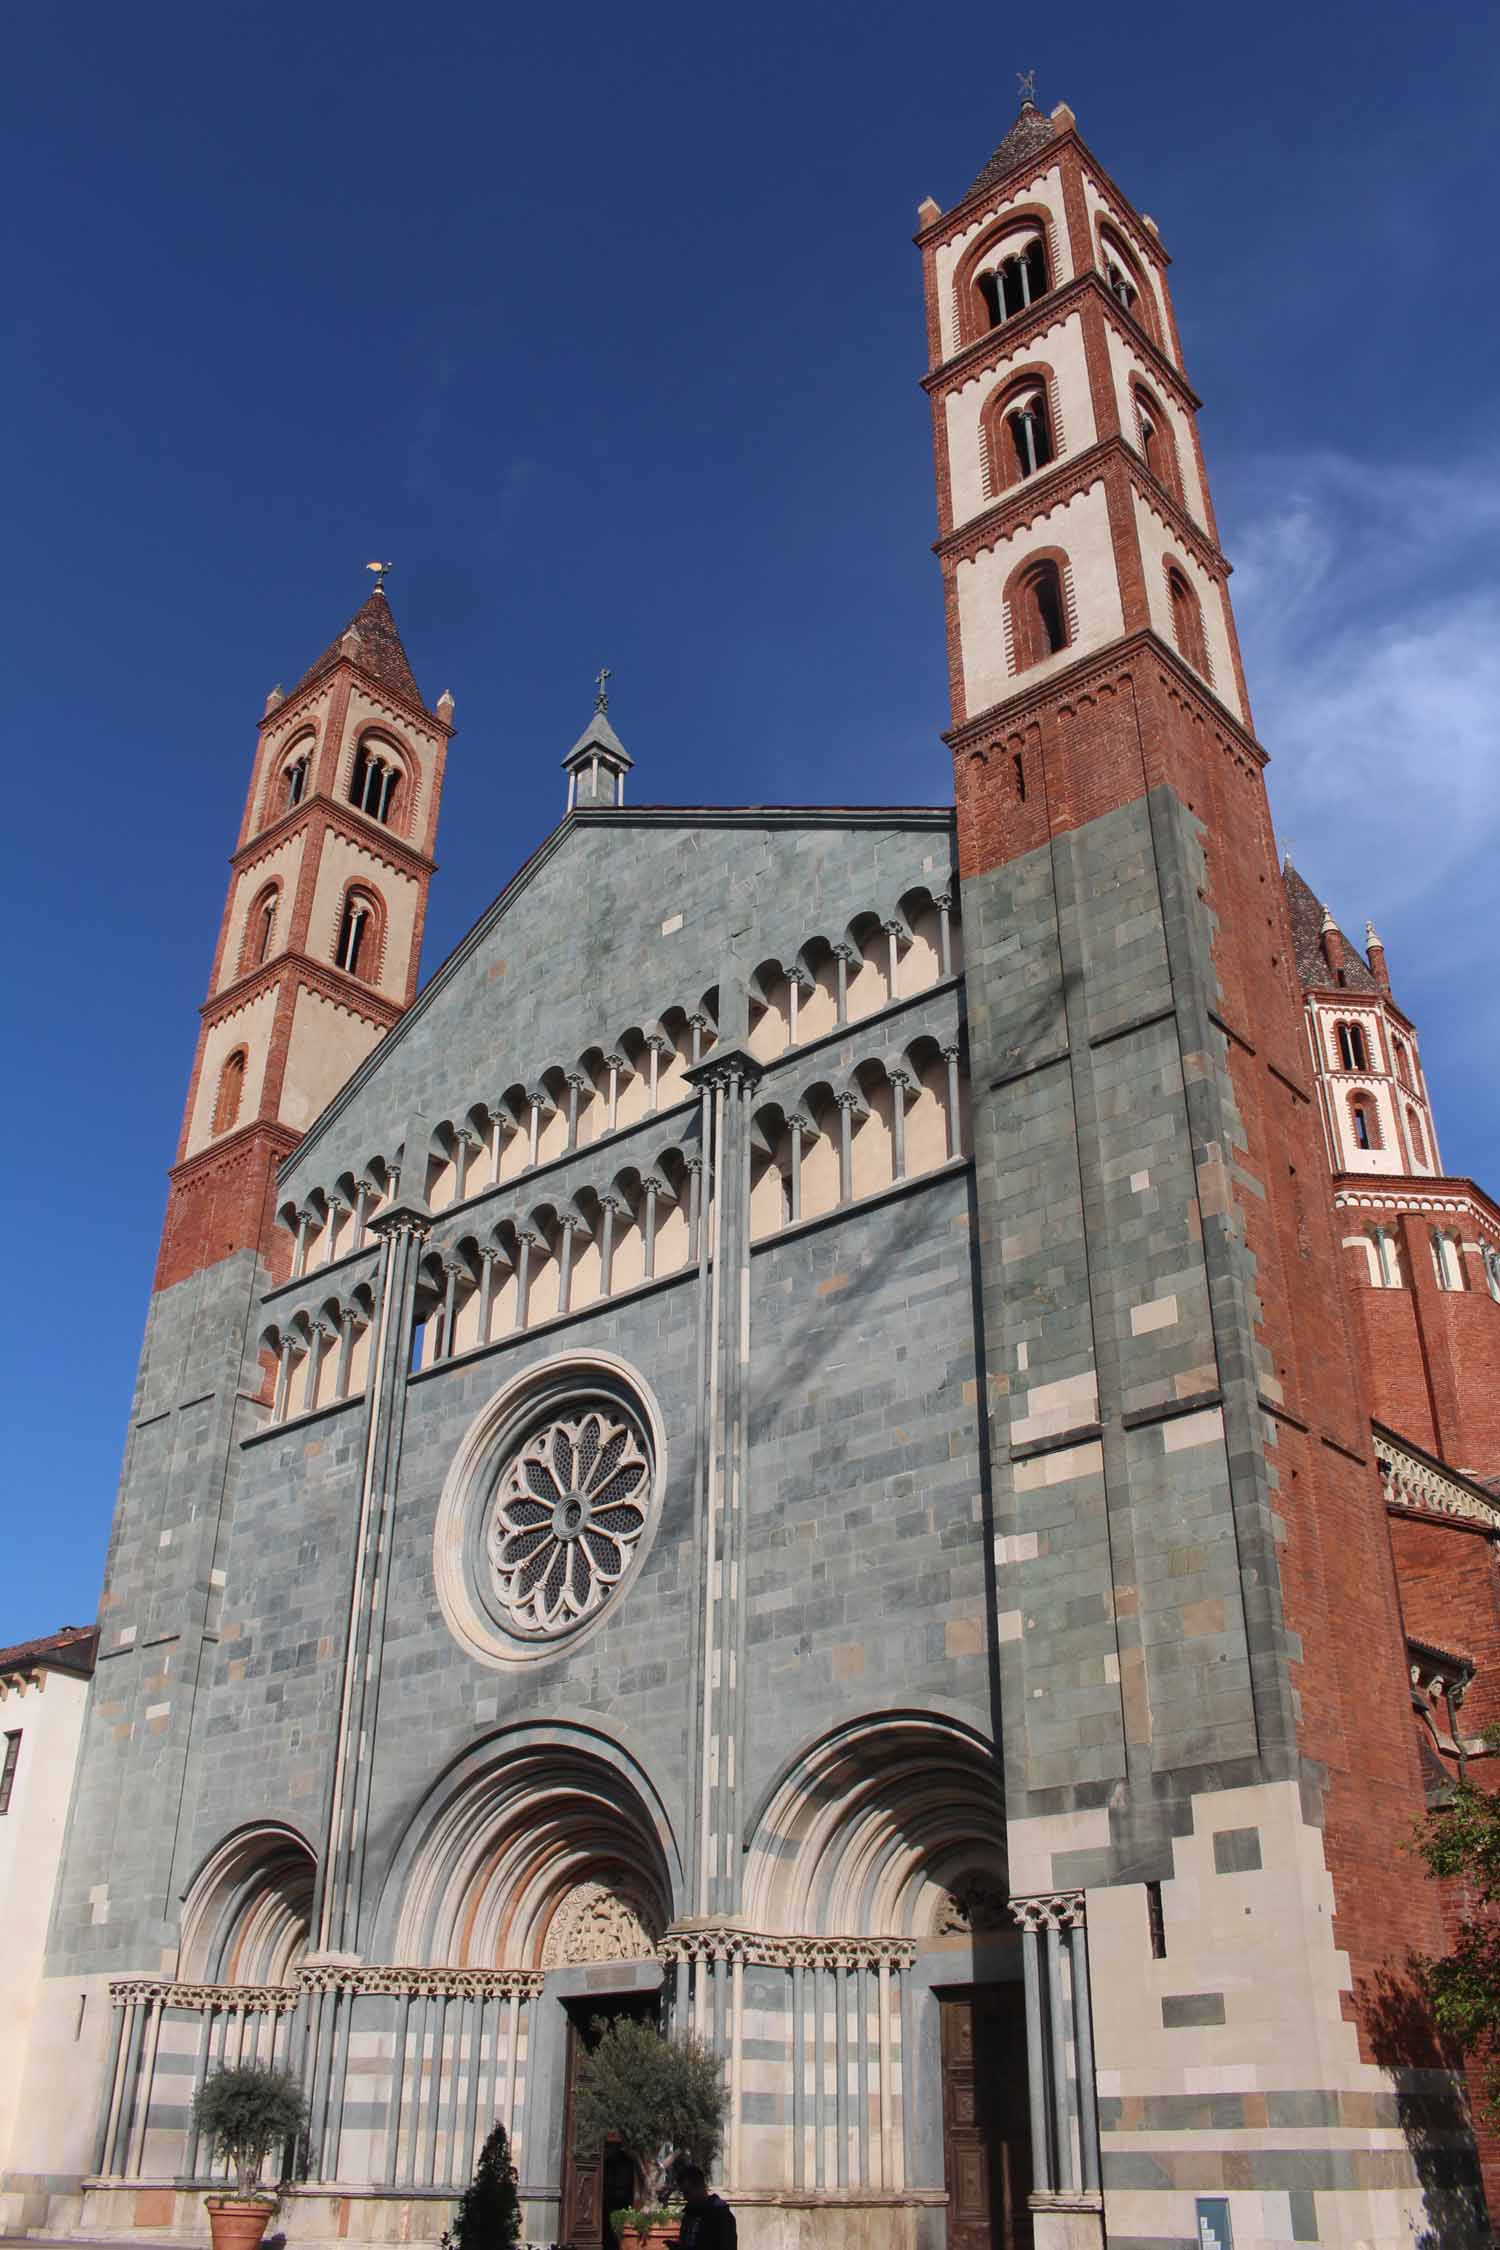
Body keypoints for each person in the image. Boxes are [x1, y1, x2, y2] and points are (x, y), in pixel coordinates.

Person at [674, 2162, 736, 2249]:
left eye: (687, 2191)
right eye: (683, 2192)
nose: (685, 2197)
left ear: (700, 2186)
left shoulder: (722, 2216)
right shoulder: (689, 2215)